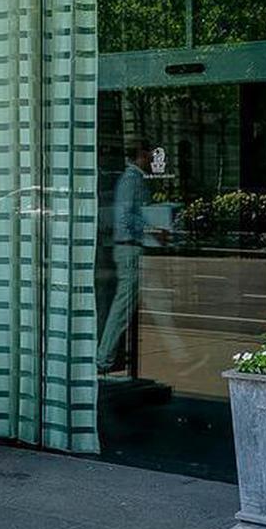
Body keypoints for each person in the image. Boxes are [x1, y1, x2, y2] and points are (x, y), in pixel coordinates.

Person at [99, 142, 154, 372]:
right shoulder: (131, 180)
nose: (153, 160)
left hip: (130, 247)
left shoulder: (133, 179)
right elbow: (125, 216)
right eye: (150, 155)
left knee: (128, 304)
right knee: (123, 306)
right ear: (141, 155)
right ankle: (104, 358)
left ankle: (107, 356)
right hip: (129, 247)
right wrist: (151, 227)